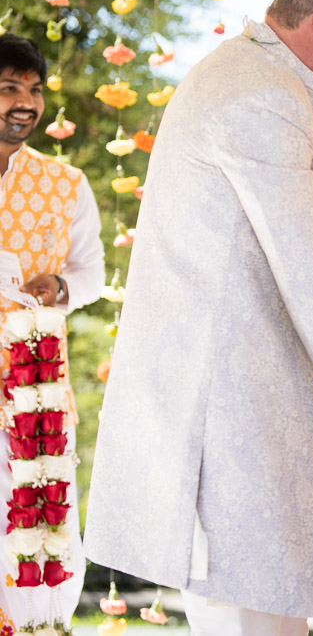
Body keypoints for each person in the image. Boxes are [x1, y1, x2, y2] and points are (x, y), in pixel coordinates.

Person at [82, 0, 313, 633]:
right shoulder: (263, 95)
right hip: (222, 418)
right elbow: (306, 271)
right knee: (254, 617)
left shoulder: (244, 72)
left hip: (220, 409)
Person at [0, 32, 104, 632]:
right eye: (10, 87)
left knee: (34, 531)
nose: (26, 102)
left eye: (34, 90)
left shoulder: (65, 185)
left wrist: (59, 290)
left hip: (34, 395)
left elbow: (91, 273)